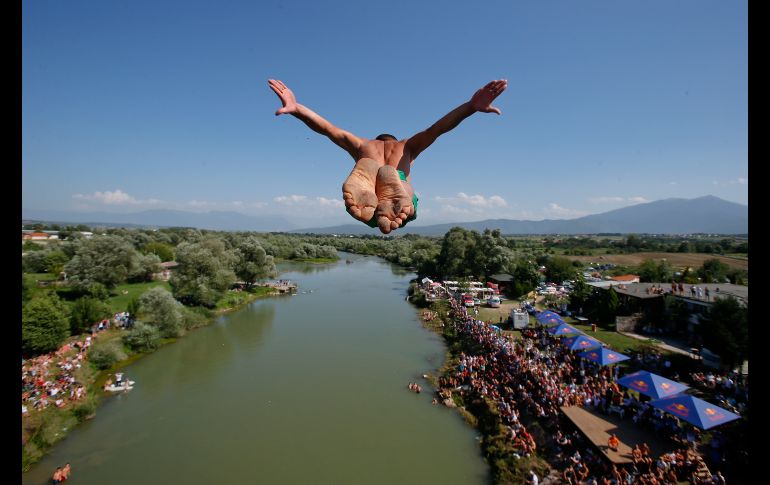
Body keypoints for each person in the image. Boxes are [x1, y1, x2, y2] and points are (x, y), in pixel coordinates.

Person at [268, 78, 508, 233]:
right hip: (398, 209)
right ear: (392, 141)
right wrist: (470, 107)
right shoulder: (407, 146)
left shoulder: (363, 145)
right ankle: (398, 189)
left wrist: (297, 108)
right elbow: (438, 129)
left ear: (377, 140)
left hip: (367, 205)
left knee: (366, 164)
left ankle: (371, 183)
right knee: (403, 184)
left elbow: (329, 129)